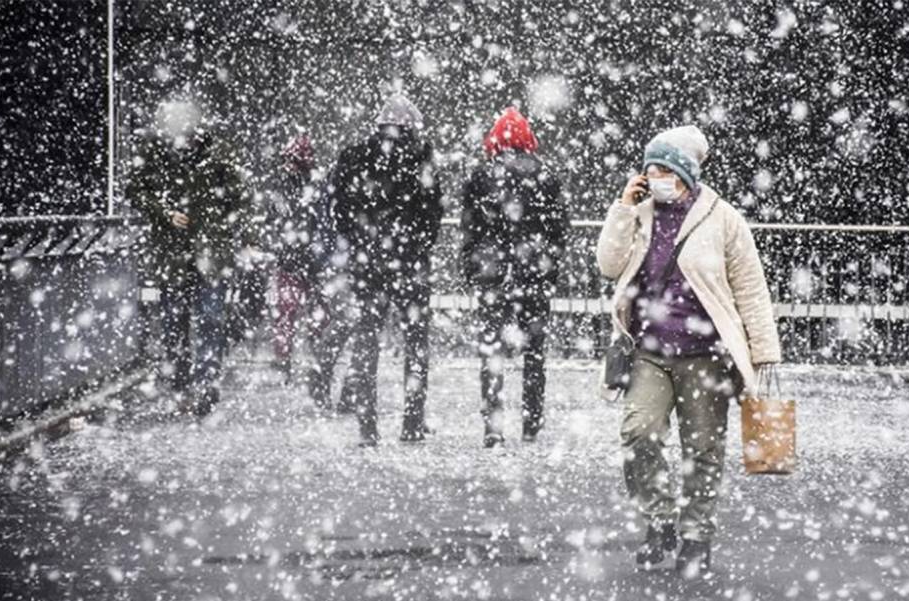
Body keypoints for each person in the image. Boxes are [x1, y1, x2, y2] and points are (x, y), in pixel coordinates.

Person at [595, 125, 781, 575]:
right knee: (639, 434)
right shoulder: (639, 214)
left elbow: (750, 289)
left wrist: (763, 352)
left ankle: (696, 537)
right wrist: (623, 207)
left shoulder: (723, 219)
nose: (655, 177)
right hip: (650, 351)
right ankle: (659, 520)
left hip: (705, 355)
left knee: (702, 450)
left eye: (663, 169)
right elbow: (608, 264)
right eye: (649, 170)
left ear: (684, 172)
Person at [314, 93, 443, 445]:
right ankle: (412, 422)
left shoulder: (354, 156)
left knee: (366, 339)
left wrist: (358, 244)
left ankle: (367, 426)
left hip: (367, 265)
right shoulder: (421, 159)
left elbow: (338, 208)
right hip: (409, 264)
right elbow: (433, 213)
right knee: (416, 342)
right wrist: (414, 247)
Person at [127, 101, 251, 417]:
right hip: (172, 255)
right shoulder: (154, 153)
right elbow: (134, 190)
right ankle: (183, 384)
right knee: (174, 324)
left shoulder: (219, 154)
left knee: (210, 319)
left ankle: (205, 385)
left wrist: (219, 225)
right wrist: (164, 212)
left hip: (210, 253)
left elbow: (242, 198)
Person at [460, 107, 569, 447]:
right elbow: (558, 231)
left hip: (493, 275)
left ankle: (493, 426)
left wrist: (472, 267)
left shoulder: (480, 176)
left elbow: (470, 229)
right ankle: (531, 422)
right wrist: (549, 266)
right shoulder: (546, 176)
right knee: (534, 353)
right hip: (534, 273)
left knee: (491, 351)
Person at [269, 134, 321, 379]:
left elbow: (277, 219)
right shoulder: (311, 185)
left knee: (289, 312)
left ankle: (290, 357)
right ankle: (307, 355)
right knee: (296, 311)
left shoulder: (286, 186)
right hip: (302, 258)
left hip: (297, 257)